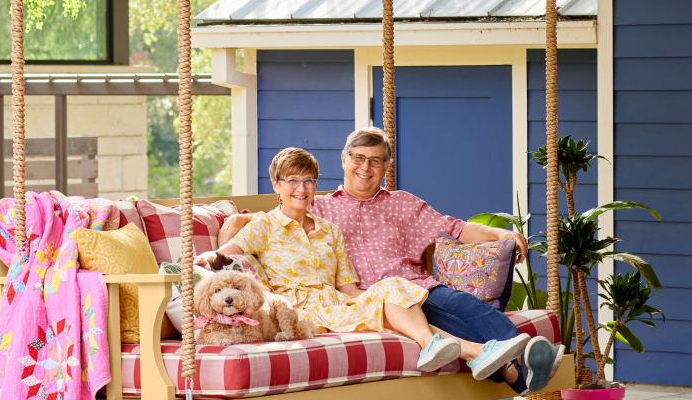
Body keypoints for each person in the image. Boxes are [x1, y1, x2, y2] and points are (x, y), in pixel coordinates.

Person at [217, 147, 533, 377]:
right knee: (406, 305)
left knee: (392, 288)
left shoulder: (329, 230)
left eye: (309, 181)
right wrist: (208, 254)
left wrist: (375, 299)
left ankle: (452, 349)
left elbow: (349, 288)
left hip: (338, 302)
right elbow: (226, 250)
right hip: (303, 310)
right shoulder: (263, 226)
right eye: (292, 181)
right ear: (276, 184)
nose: (301, 189)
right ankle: (481, 354)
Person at [311, 127, 564, 395]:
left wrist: (501, 233)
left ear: (386, 166)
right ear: (343, 159)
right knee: (450, 326)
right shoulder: (319, 209)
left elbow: (455, 228)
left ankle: (521, 367)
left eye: (375, 160)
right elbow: (279, 230)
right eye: (358, 158)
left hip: (418, 288)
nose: (365, 167)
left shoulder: (402, 203)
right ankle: (521, 371)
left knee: (467, 307)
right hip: (372, 301)